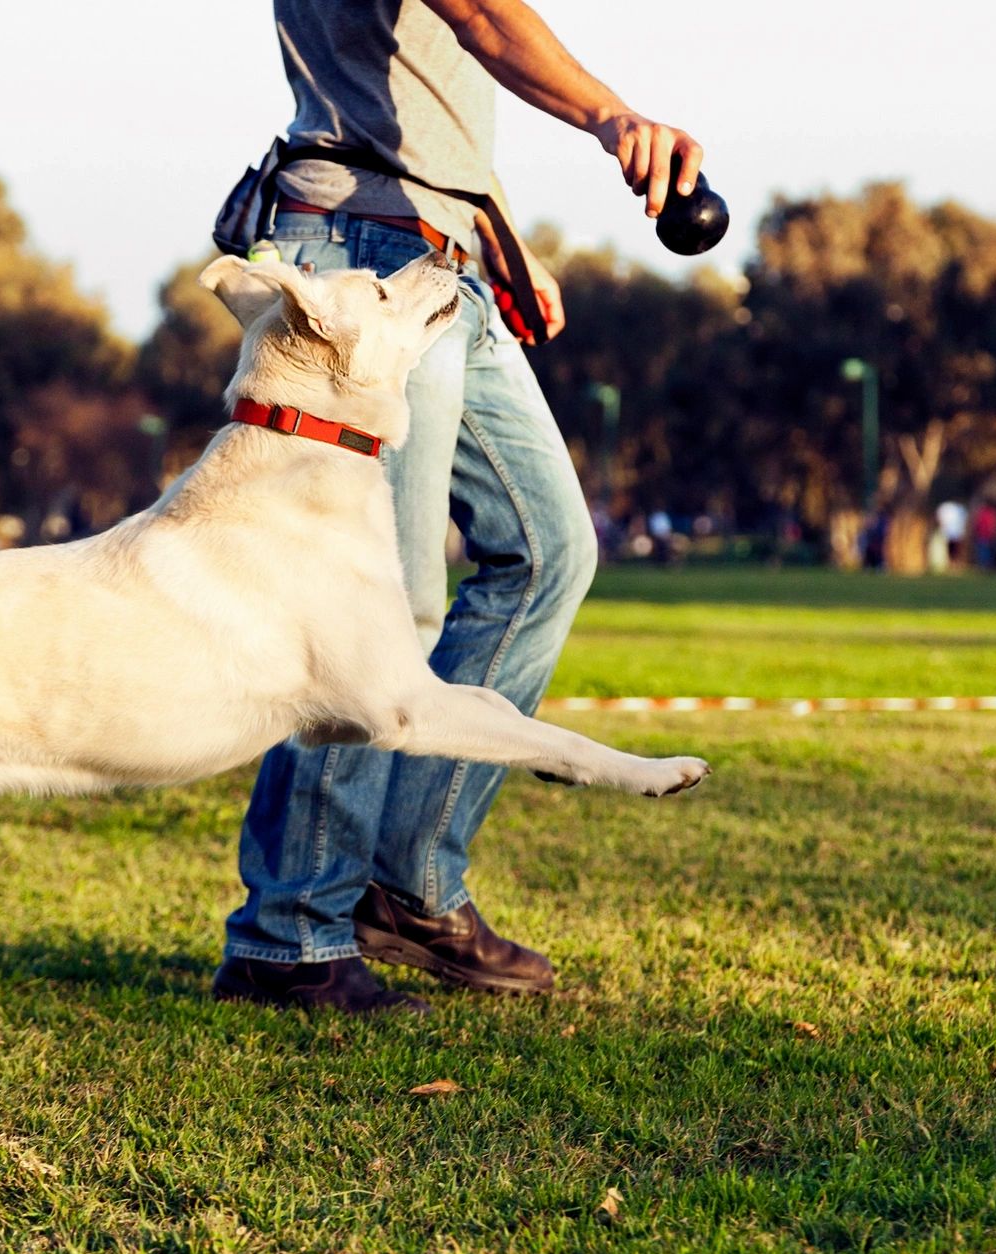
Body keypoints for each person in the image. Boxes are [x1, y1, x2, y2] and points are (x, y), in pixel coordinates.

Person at [212, 0, 709, 1013]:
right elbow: (481, 14)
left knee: (548, 551)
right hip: (363, 256)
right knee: (376, 613)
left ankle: (408, 885)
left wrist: (494, 235)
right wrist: (612, 118)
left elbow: (423, 92)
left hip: (438, 252)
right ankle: (291, 936)